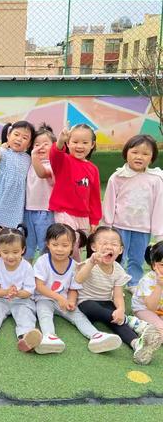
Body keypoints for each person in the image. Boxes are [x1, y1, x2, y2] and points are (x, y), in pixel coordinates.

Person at [76, 226, 162, 365]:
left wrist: (120, 310)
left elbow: (117, 296)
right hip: (86, 301)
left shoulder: (118, 270)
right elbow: (78, 279)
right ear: (93, 247)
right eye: (104, 243)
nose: (109, 247)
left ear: (121, 250)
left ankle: (136, 344)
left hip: (105, 301)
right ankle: (136, 324)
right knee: (97, 309)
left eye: (114, 244)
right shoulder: (90, 263)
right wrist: (91, 262)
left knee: (117, 319)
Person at [34, 223, 122, 354]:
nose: (59, 249)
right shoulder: (43, 261)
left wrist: (71, 301)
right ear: (48, 244)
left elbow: (73, 288)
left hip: (63, 300)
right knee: (44, 314)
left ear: (72, 246)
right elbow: (39, 286)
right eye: (55, 244)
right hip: (43, 298)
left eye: (65, 245)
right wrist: (59, 297)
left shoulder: (75, 265)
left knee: (78, 316)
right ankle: (49, 337)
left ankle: (96, 336)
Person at [103, 134, 163, 289]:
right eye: (135, 152)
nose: (139, 157)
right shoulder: (117, 177)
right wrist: (107, 225)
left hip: (143, 228)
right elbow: (109, 201)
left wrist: (158, 232)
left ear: (152, 157)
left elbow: (158, 206)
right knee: (117, 256)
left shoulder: (155, 179)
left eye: (145, 154)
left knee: (137, 258)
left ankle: (134, 282)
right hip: (119, 226)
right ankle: (115, 284)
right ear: (126, 153)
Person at [0, 226, 42, 351]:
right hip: (0, 297)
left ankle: (26, 338)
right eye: (5, 252)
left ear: (23, 250)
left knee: (26, 314)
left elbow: (28, 292)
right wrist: (6, 292)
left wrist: (17, 293)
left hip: (21, 299)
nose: (10, 256)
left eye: (15, 252)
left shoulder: (27, 267)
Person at [48, 123, 101, 261]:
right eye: (75, 142)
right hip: (63, 212)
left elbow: (95, 197)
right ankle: (72, 269)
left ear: (92, 144)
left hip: (83, 216)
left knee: (77, 244)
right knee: (68, 241)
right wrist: (60, 142)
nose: (79, 146)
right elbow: (55, 155)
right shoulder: (63, 161)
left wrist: (94, 219)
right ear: (68, 143)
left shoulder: (93, 169)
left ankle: (74, 272)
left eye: (85, 142)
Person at [23, 124, 56, 262]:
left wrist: (34, 157)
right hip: (28, 211)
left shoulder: (53, 164)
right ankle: (25, 277)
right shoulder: (28, 163)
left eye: (45, 144)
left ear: (54, 146)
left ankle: (45, 276)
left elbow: (42, 173)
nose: (40, 147)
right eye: (36, 144)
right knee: (26, 247)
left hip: (46, 212)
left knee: (45, 247)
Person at [132, 242, 163, 335]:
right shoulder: (147, 280)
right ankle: (135, 323)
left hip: (160, 310)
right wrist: (159, 285)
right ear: (154, 265)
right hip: (144, 309)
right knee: (161, 330)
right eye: (162, 265)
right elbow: (151, 307)